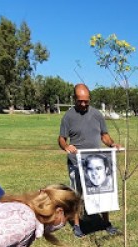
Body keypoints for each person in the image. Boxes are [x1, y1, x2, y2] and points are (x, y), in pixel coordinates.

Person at [58, 83, 121, 237]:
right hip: (76, 162)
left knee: (102, 192)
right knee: (77, 195)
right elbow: (61, 138)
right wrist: (66, 146)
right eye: (80, 101)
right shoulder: (68, 116)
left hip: (95, 161)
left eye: (86, 101)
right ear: (74, 99)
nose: (84, 104)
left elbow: (104, 135)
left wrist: (112, 144)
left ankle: (106, 222)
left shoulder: (97, 114)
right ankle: (77, 226)